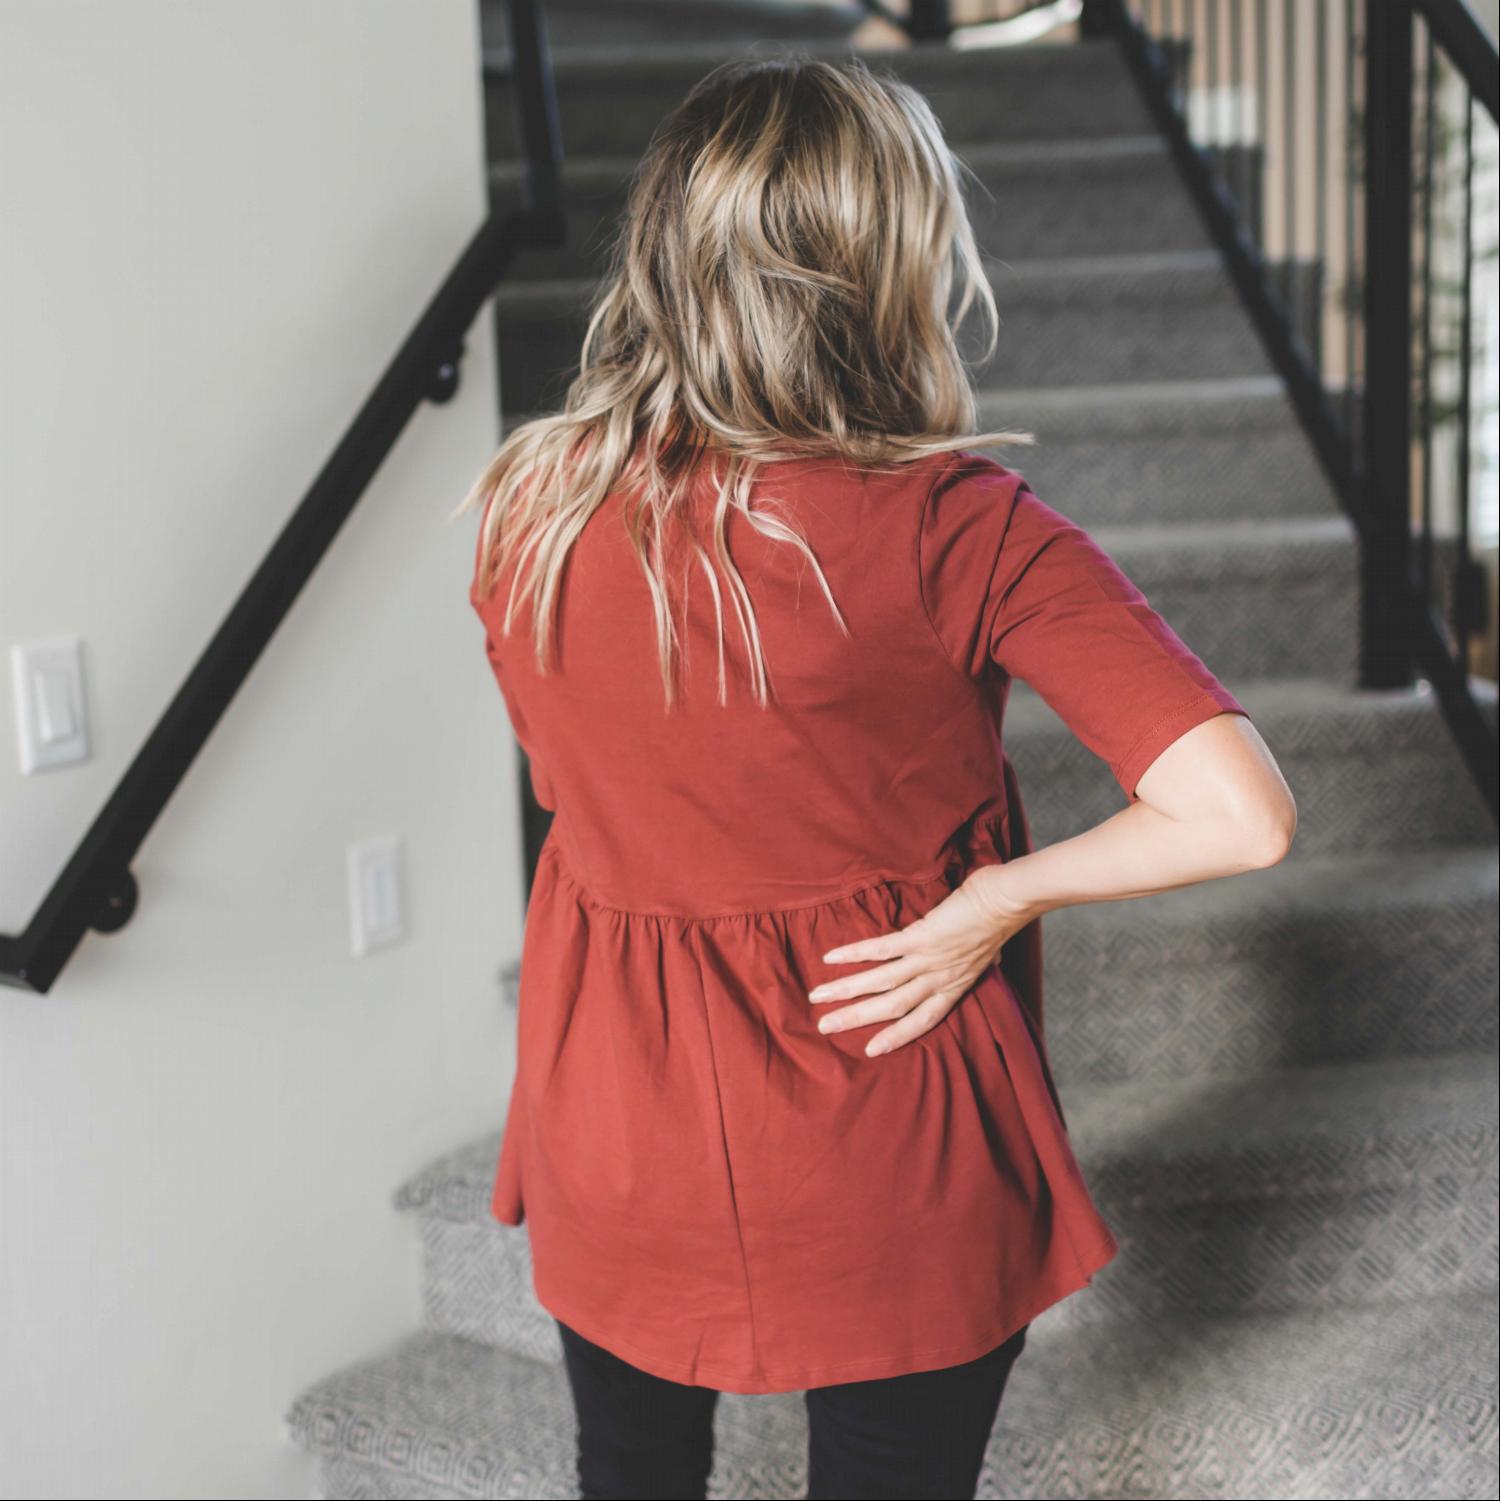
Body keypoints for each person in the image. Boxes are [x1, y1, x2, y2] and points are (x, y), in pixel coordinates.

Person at [456, 52, 1296, 1501]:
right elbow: (1243, 811)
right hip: (884, 1126)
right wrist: (992, 902)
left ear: (664, 251)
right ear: (886, 264)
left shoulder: (531, 501)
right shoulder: (961, 525)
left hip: (612, 1106)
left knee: (630, 1475)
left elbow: (567, 783)